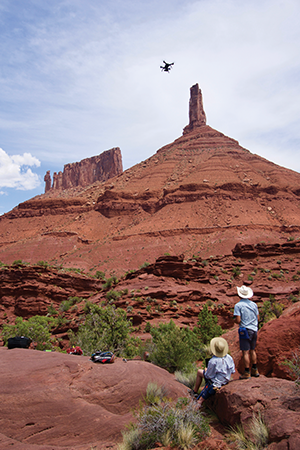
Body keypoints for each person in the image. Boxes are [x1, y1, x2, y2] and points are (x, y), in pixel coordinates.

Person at [190, 337, 235, 406]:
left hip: (215, 383)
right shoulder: (229, 357)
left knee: (199, 372)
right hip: (226, 379)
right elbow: (233, 370)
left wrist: (206, 370)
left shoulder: (213, 361)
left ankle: (195, 392)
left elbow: (209, 376)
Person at [234, 285, 259, 379]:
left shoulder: (238, 305)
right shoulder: (254, 304)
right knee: (252, 350)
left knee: (245, 352)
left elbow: (238, 320)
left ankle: (247, 372)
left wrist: (234, 320)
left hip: (245, 330)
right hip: (254, 329)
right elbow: (258, 317)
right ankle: (255, 369)